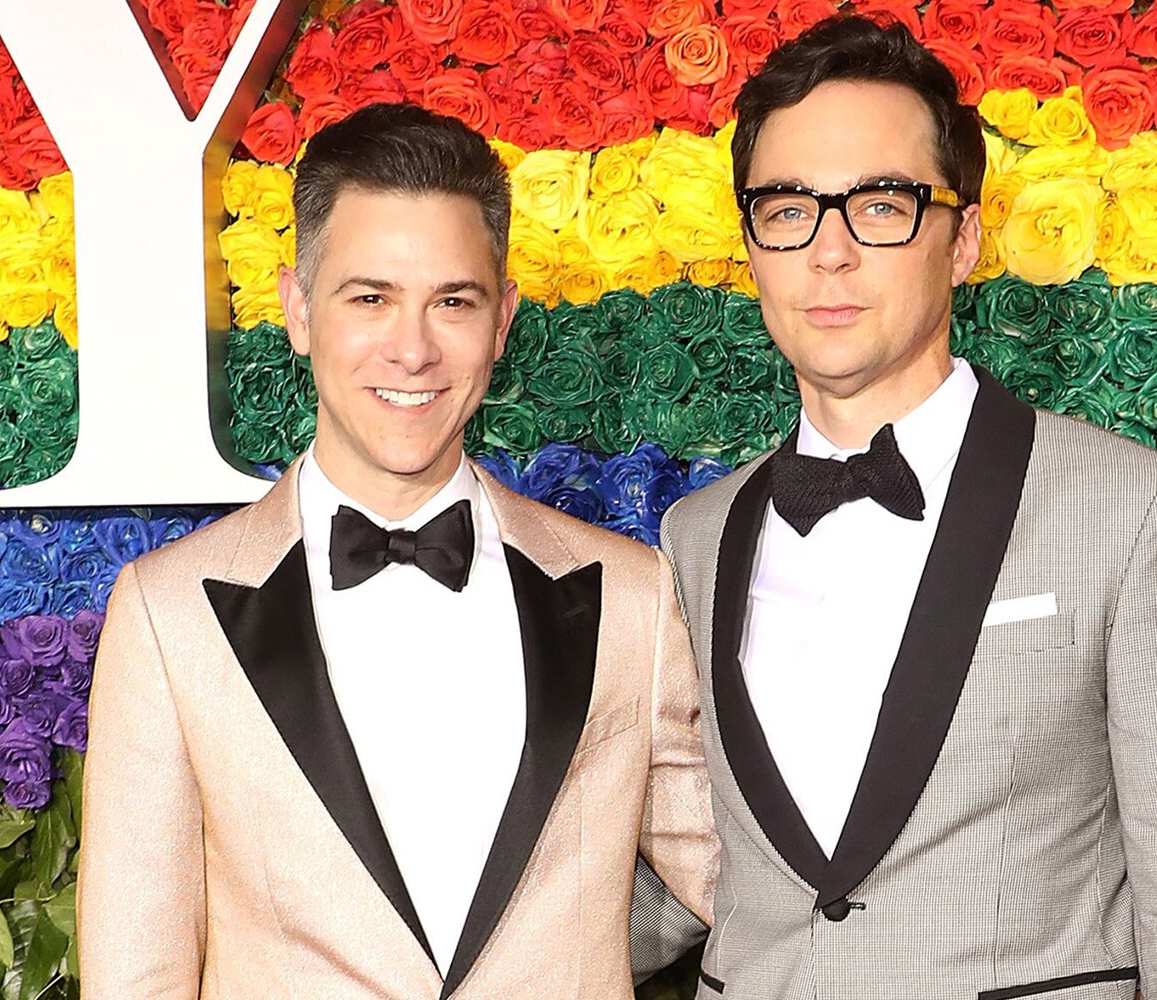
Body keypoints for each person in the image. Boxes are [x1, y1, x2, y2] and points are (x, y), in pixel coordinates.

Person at [654, 16, 1157, 999]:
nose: (831, 252)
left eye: (882, 205)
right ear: (752, 243)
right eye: (788, 209)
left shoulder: (1136, 514)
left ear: (965, 239)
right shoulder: (694, 536)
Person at [77, 102, 716, 1000]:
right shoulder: (165, 612)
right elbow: (133, 974)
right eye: (370, 298)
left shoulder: (634, 598)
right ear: (298, 310)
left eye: (452, 302)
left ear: (501, 324)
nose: (412, 349)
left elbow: (753, 890)